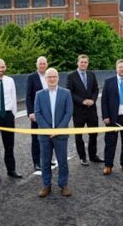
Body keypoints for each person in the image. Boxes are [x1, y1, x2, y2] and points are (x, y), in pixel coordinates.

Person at [34, 68, 73, 197]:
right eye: (49, 77)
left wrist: (58, 129)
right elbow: (38, 114)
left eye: (54, 76)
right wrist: (48, 129)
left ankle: (63, 185)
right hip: (45, 135)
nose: (51, 79)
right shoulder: (39, 94)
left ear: (58, 78)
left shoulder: (66, 93)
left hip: (61, 134)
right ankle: (46, 185)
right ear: (45, 78)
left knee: (62, 161)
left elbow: (68, 112)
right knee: (45, 161)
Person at [66, 54, 103, 166]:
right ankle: (82, 157)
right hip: (78, 110)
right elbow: (69, 92)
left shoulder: (92, 74)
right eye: (81, 62)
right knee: (79, 135)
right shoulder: (71, 76)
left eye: (85, 62)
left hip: (91, 109)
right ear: (78, 63)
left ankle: (93, 156)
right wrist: (82, 101)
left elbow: (96, 90)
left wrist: (93, 100)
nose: (83, 64)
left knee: (93, 134)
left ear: (88, 63)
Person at [26, 56, 56, 171]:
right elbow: (28, 96)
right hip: (37, 113)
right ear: (37, 65)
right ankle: (37, 162)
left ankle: (48, 159)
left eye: (44, 63)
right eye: (40, 63)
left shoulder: (51, 76)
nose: (42, 65)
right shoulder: (31, 78)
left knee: (50, 137)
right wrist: (30, 112)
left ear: (47, 64)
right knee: (36, 138)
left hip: (50, 112)